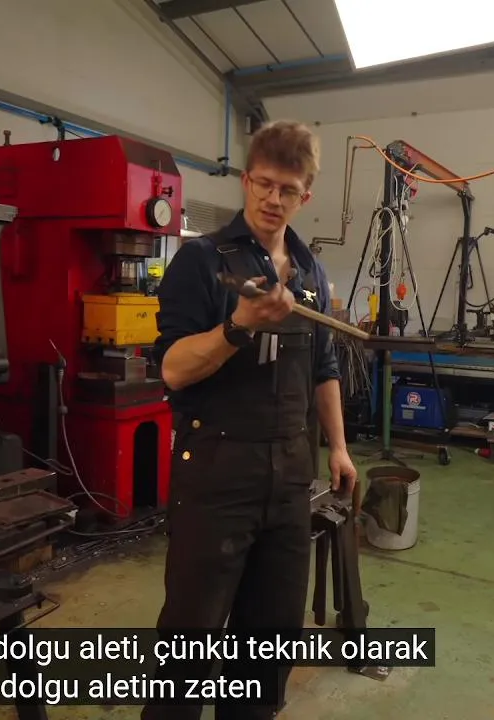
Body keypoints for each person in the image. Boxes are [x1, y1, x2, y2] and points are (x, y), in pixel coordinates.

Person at [144, 119, 357, 720]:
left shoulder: (311, 273)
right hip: (216, 476)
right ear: (245, 180)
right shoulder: (202, 260)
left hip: (290, 477)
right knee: (188, 645)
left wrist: (339, 448)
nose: (272, 199)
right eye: (263, 184)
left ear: (304, 196)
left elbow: (324, 368)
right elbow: (174, 370)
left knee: (269, 642)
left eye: (287, 190)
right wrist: (238, 325)